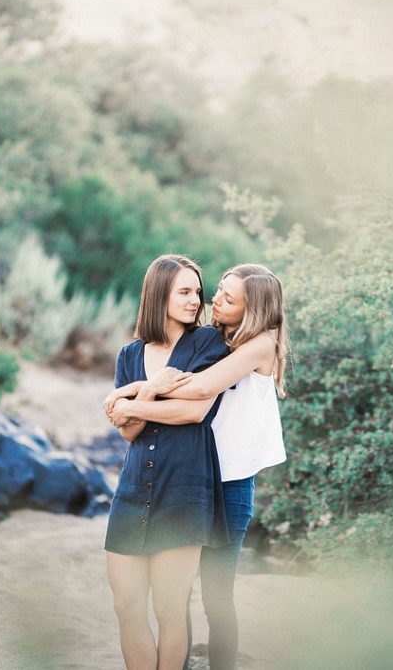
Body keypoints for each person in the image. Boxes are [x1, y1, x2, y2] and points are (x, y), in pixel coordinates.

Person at [105, 263, 289, 670]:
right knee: (174, 597)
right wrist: (140, 395)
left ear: (253, 308)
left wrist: (132, 397)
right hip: (187, 473)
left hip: (229, 482)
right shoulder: (209, 341)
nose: (211, 301)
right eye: (215, 291)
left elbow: (202, 393)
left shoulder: (258, 344)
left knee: (216, 598)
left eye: (226, 297)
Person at [103, 254, 230, 670]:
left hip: (185, 488)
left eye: (198, 291)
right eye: (185, 292)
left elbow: (194, 412)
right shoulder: (129, 353)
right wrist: (152, 389)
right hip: (133, 487)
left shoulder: (210, 343)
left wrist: (133, 404)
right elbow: (127, 432)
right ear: (159, 294)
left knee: (170, 609)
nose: (196, 300)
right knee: (127, 606)